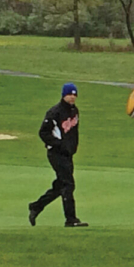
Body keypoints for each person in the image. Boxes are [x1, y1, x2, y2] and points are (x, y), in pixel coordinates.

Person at [28, 83, 88, 227]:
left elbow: (73, 132)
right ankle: (71, 219)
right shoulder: (55, 112)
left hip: (68, 154)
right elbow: (43, 133)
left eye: (75, 95)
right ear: (63, 95)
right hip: (56, 154)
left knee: (60, 185)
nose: (72, 97)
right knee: (68, 185)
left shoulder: (75, 111)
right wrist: (59, 144)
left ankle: (36, 206)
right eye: (70, 94)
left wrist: (72, 147)